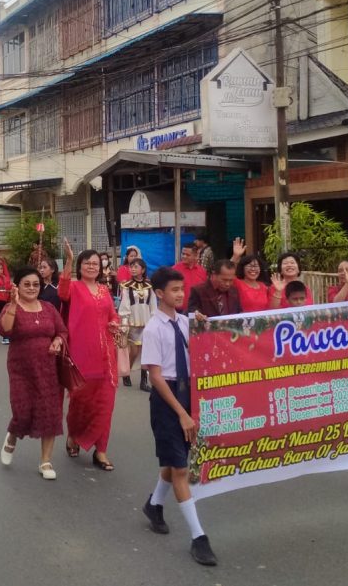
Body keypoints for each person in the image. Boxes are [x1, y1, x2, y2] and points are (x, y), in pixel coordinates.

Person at [140, 266, 217, 567]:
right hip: (167, 399)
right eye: (174, 290)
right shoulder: (153, 329)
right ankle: (199, 537)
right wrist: (183, 413)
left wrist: (203, 325)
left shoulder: (186, 323)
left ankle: (154, 504)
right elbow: (156, 377)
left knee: (176, 459)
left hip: (188, 394)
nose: (180, 294)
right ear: (159, 294)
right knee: (181, 468)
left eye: (182, 290)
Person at [0, 267, 67, 480]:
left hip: (48, 369)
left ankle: (45, 461)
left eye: (35, 284)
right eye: (26, 284)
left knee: (50, 414)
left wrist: (57, 341)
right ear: (17, 286)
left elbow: (62, 331)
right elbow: (4, 330)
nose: (31, 288)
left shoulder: (48, 308)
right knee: (23, 411)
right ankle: (12, 436)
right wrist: (12, 304)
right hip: (21, 369)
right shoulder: (12, 307)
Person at [59, 240, 121, 471]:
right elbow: (62, 291)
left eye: (96, 263)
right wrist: (68, 259)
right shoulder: (73, 287)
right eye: (87, 263)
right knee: (80, 402)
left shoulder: (105, 290)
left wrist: (115, 323)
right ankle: (74, 435)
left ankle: (101, 451)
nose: (92, 267)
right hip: (81, 355)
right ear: (80, 266)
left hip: (106, 355)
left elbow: (112, 314)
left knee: (105, 403)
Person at [117, 258, 156, 391]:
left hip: (147, 322)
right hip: (133, 322)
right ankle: (126, 372)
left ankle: (143, 381)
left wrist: (154, 321)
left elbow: (153, 305)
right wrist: (124, 322)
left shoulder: (150, 286)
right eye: (131, 266)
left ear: (143, 270)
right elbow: (125, 305)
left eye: (136, 266)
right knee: (134, 351)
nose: (132, 269)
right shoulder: (126, 286)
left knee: (146, 351)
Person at [175, 243, 207, 312]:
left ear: (195, 255)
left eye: (187, 255)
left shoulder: (202, 271)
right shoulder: (175, 270)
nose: (184, 256)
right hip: (179, 311)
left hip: (198, 311)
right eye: (183, 254)